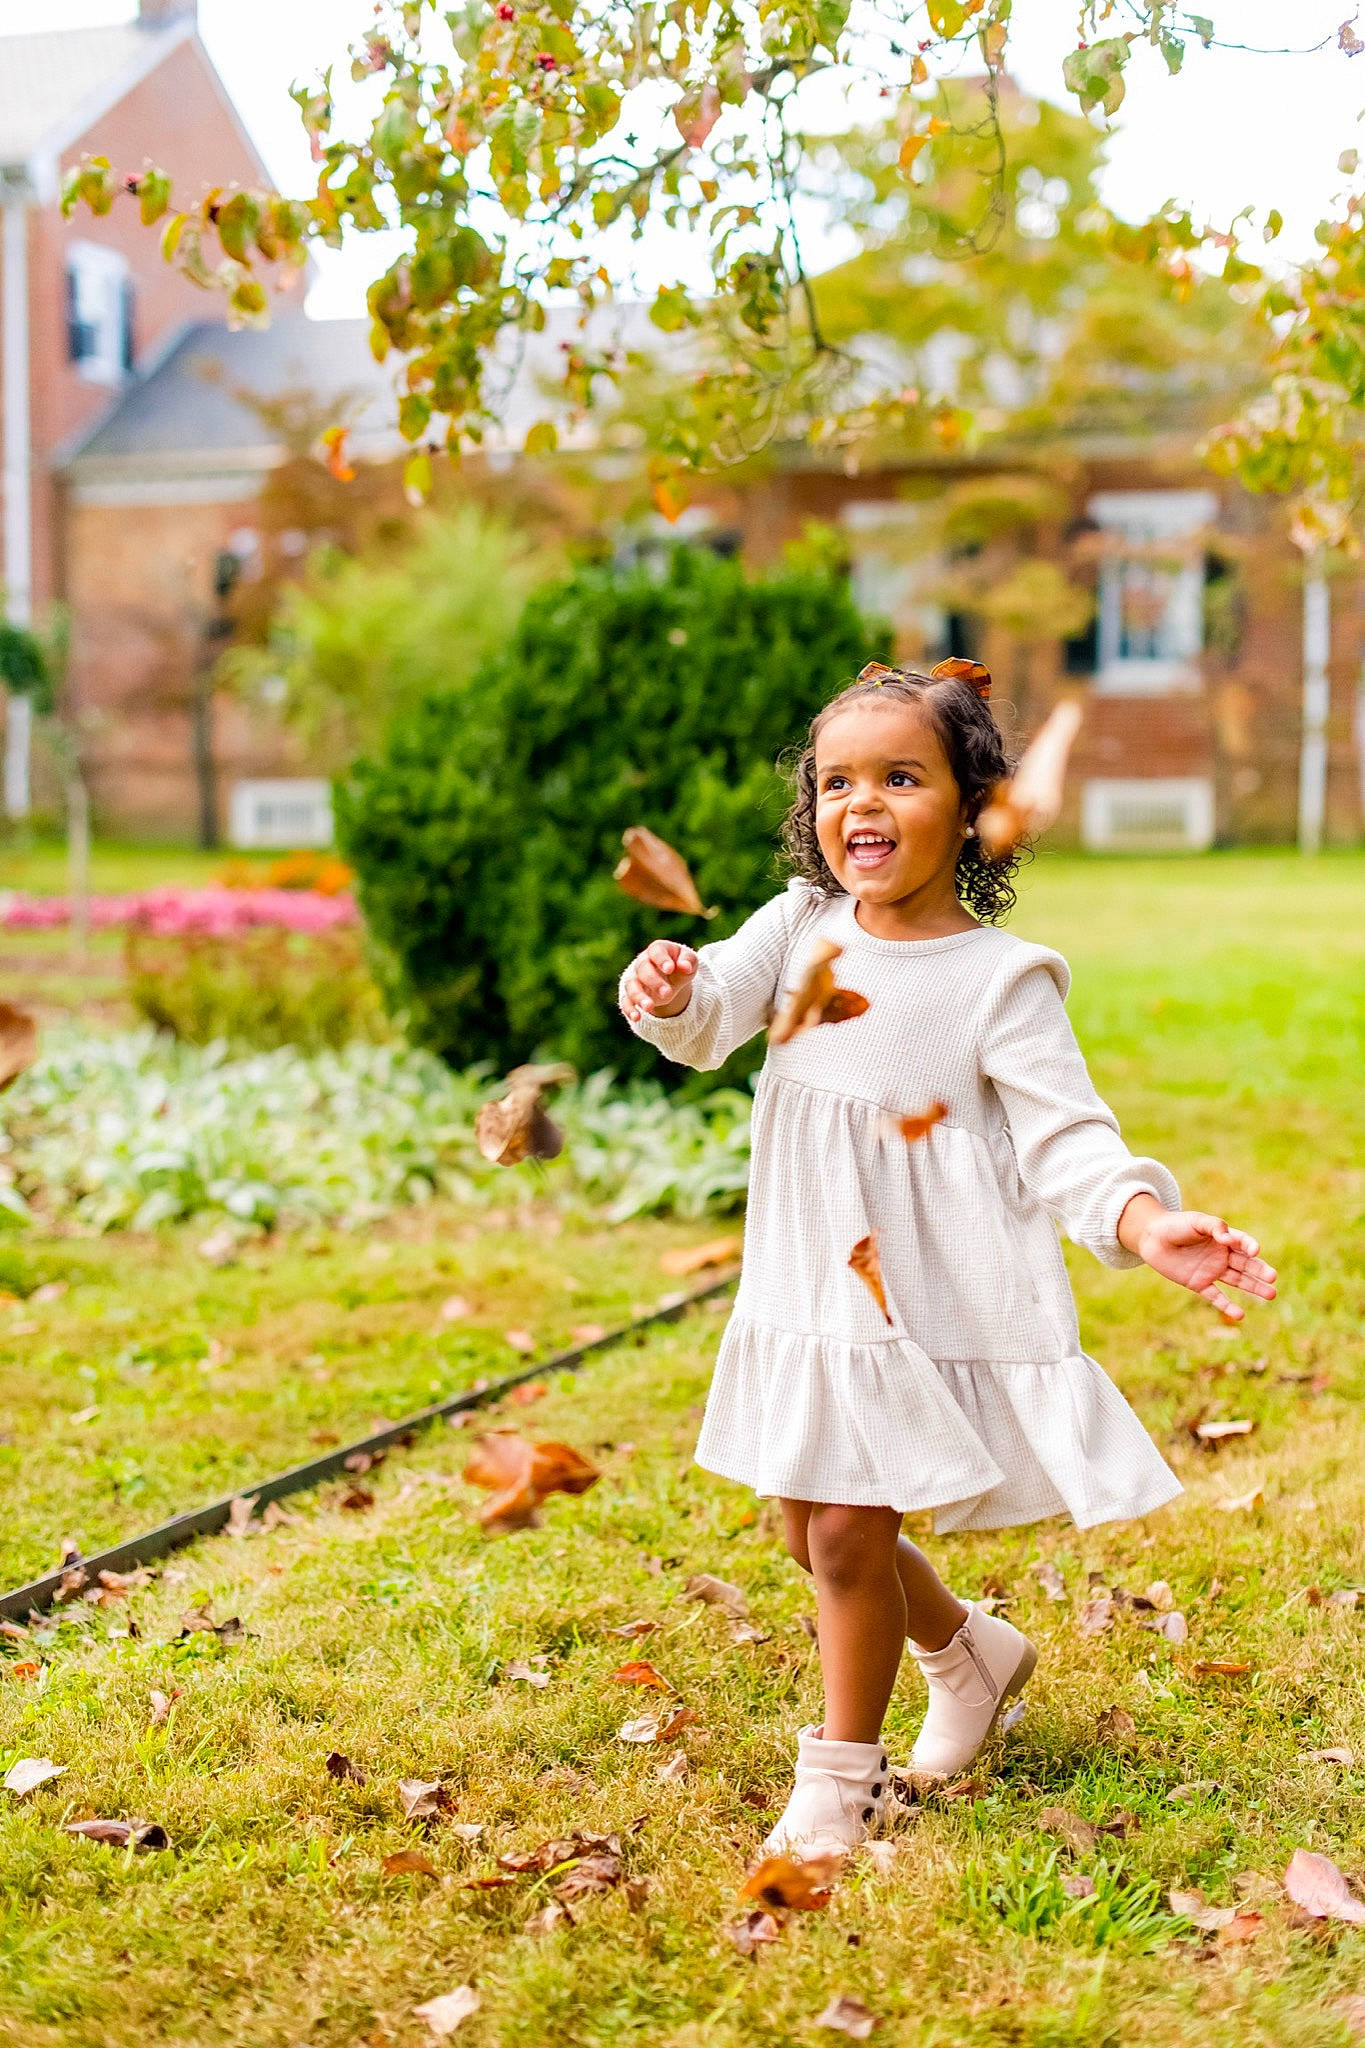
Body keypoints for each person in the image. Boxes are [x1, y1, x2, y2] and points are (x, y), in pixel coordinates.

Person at [618, 662, 1276, 1861]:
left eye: (900, 778)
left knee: (848, 1538)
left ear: (972, 804)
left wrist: (1140, 1217)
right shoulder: (801, 925)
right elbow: (711, 1015)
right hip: (811, 1274)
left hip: (910, 1289)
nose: (861, 804)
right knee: (800, 1518)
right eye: (838, 782)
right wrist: (670, 983)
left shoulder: (997, 980)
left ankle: (841, 1782)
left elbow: (1066, 1134)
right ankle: (972, 1654)